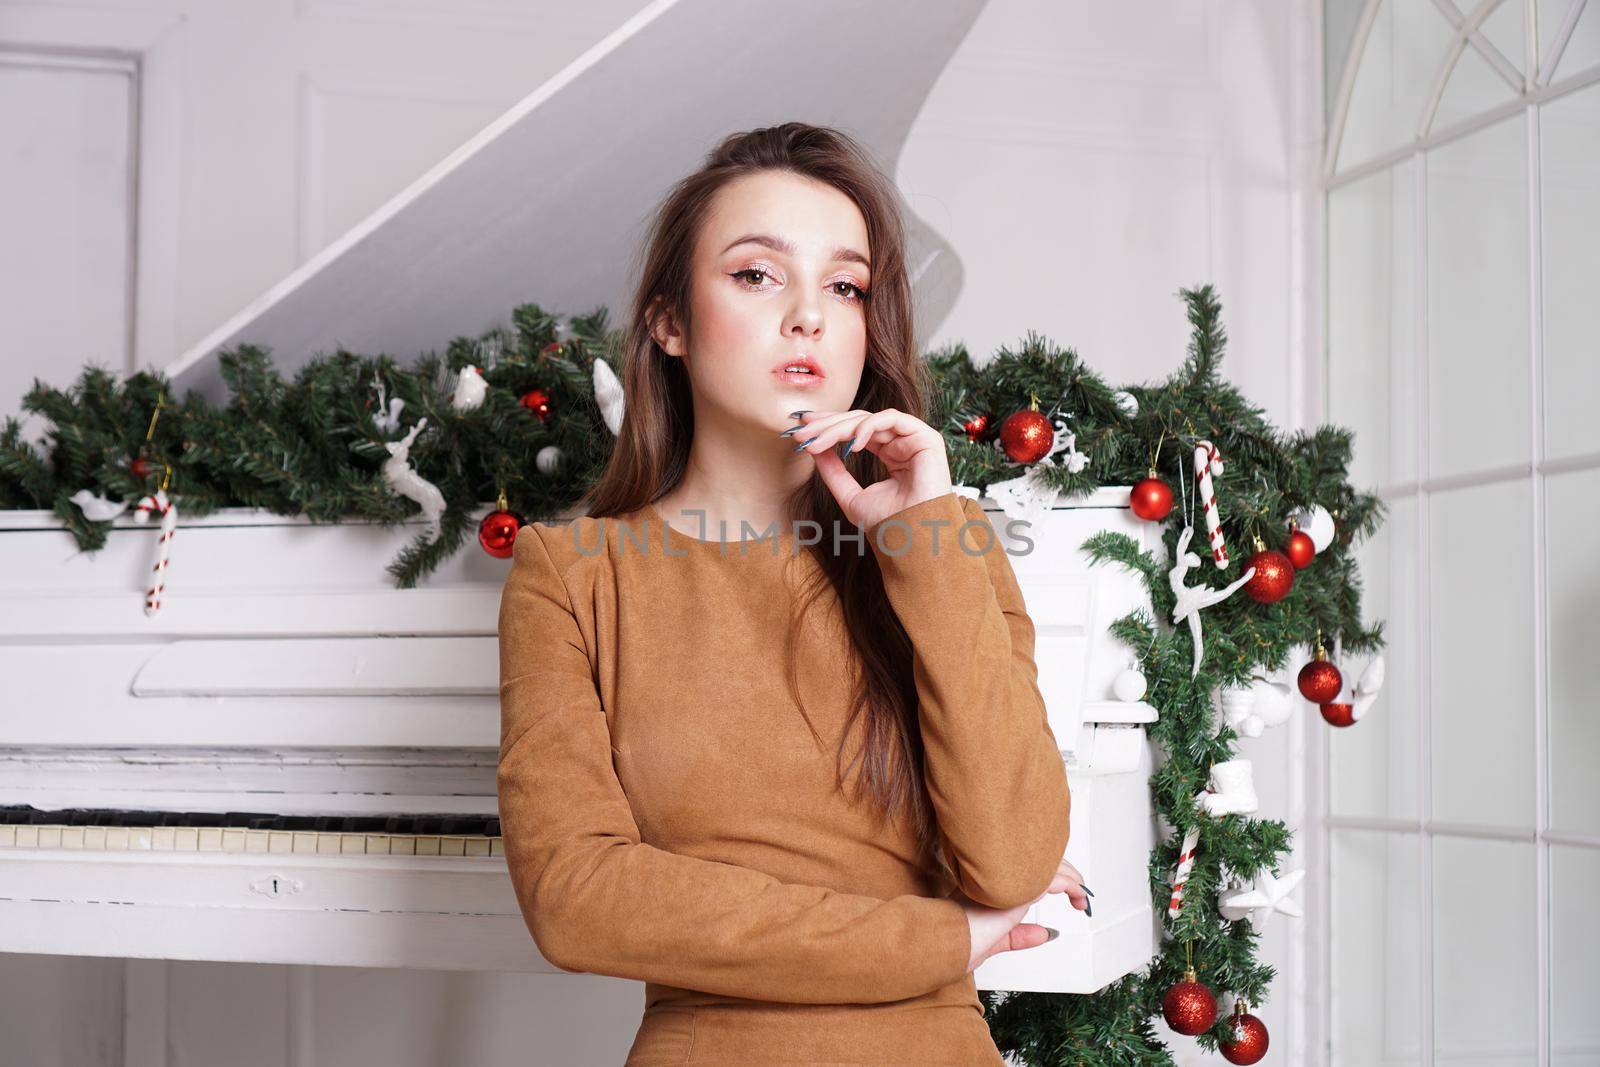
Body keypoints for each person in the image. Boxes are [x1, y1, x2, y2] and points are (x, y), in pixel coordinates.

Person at [498, 121, 1090, 1066]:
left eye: (845, 285)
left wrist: (922, 543)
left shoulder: (950, 545)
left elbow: (1013, 857)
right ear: (670, 322)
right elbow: (576, 900)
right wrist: (939, 940)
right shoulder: (573, 575)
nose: (810, 315)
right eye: (758, 274)